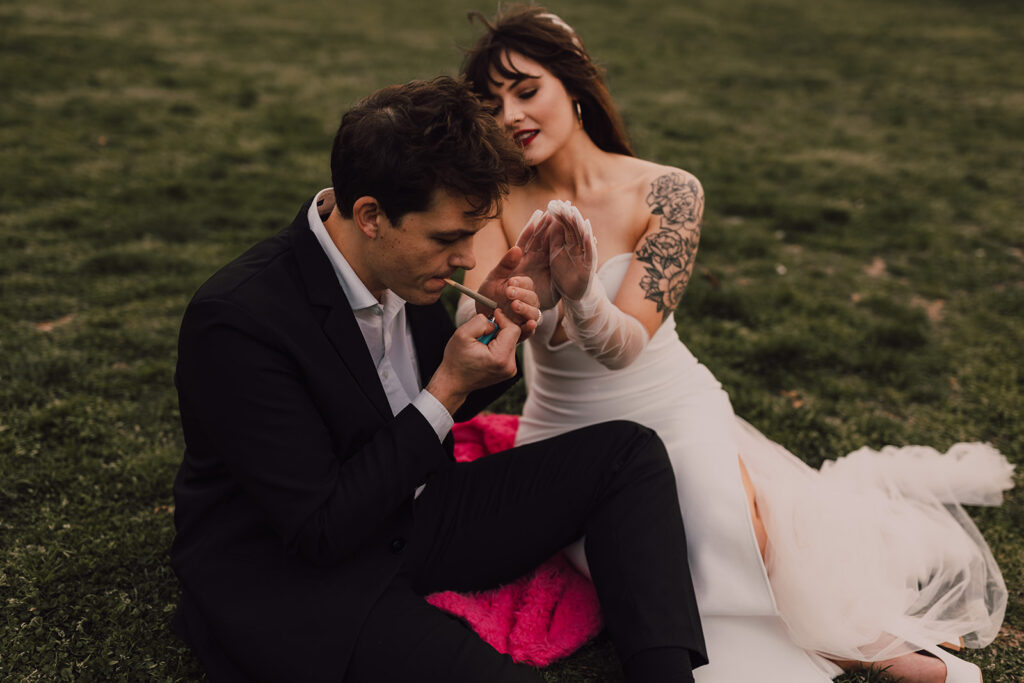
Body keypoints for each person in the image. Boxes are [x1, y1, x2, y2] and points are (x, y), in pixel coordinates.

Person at [457, 7, 1014, 683]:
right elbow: (479, 331)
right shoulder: (493, 205)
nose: (511, 114)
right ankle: (870, 645)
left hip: (674, 409)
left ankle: (874, 644)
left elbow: (626, 342)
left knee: (722, 510)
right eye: (492, 104)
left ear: (571, 85)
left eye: (526, 89)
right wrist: (513, 300)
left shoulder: (669, 190)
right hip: (566, 435)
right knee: (673, 542)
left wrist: (580, 292)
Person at [170, 76, 708, 683]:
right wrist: (448, 387)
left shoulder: (405, 264)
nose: (466, 258)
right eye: (449, 238)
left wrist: (491, 326)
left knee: (626, 452)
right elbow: (320, 528)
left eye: (474, 234)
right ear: (371, 215)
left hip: (418, 513)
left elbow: (416, 400)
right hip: (304, 570)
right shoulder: (239, 320)